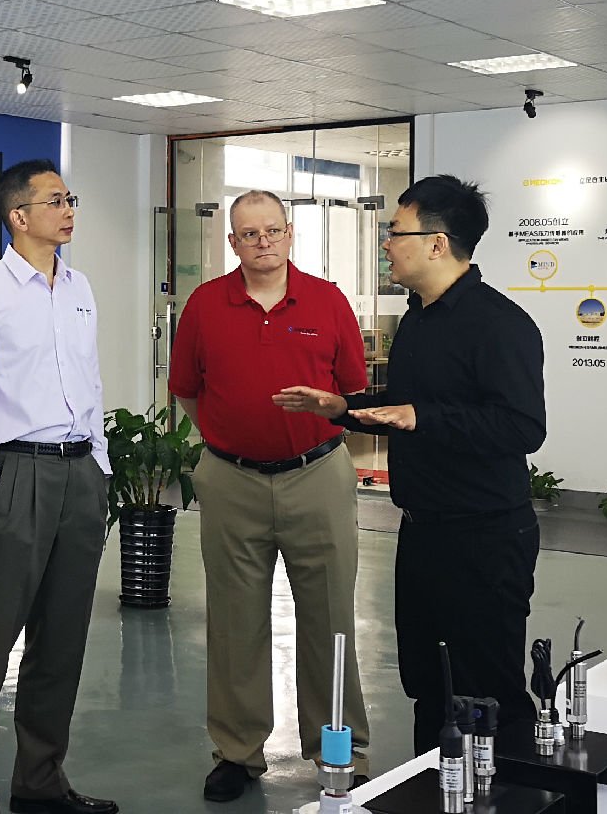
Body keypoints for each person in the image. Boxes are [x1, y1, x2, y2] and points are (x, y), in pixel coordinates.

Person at [274, 175, 546, 754]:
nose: (386, 245)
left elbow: (522, 427)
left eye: (396, 232)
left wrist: (424, 416)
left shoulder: (501, 325)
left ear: (437, 243)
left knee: (486, 686)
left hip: (485, 536)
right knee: (427, 681)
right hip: (423, 531)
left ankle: (502, 789)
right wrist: (343, 408)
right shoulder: (418, 318)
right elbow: (402, 407)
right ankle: (432, 784)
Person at [169, 190, 371, 802]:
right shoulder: (206, 305)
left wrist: (321, 415)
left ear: (290, 233)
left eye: (272, 231)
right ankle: (236, 751)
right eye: (249, 234)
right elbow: (187, 390)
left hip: (318, 475)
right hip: (232, 481)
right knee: (235, 622)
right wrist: (229, 438)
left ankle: (340, 750)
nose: (263, 242)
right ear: (232, 242)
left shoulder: (327, 300)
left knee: (331, 618)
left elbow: (353, 394)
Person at [0, 159, 117, 814]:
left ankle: (40, 784)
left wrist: (100, 465)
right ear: (18, 216)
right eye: (55, 200)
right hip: (17, 472)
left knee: (61, 642)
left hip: (79, 474)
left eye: (71, 198)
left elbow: (90, 381)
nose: (69, 210)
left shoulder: (79, 287)